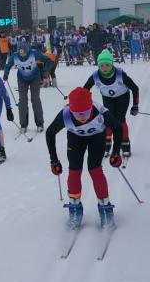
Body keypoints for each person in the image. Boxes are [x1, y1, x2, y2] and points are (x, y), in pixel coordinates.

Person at [45, 87, 122, 228]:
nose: (82, 117)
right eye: (77, 114)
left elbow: (117, 128)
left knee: (95, 170)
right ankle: (75, 207)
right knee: (74, 171)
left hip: (96, 137)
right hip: (75, 138)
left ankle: (105, 207)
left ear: (91, 107)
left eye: (86, 113)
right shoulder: (65, 114)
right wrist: (54, 160)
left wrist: (116, 152)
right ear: (71, 110)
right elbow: (50, 133)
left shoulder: (100, 111)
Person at [83, 50, 140, 157]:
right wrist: (83, 104)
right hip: (108, 98)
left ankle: (125, 143)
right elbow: (85, 90)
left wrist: (135, 105)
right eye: (102, 65)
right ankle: (107, 142)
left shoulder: (120, 74)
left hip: (122, 97)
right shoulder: (95, 76)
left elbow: (135, 88)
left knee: (120, 120)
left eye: (107, 65)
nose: (104, 68)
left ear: (112, 64)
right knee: (108, 120)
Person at [3, 40, 55, 133]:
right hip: (22, 79)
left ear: (27, 50)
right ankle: (23, 124)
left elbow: (49, 61)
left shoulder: (34, 54)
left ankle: (39, 123)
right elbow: (7, 66)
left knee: (35, 99)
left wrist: (47, 71)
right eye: (20, 53)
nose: (22, 55)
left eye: (24, 53)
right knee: (22, 100)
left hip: (35, 78)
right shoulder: (14, 57)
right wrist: (6, 74)